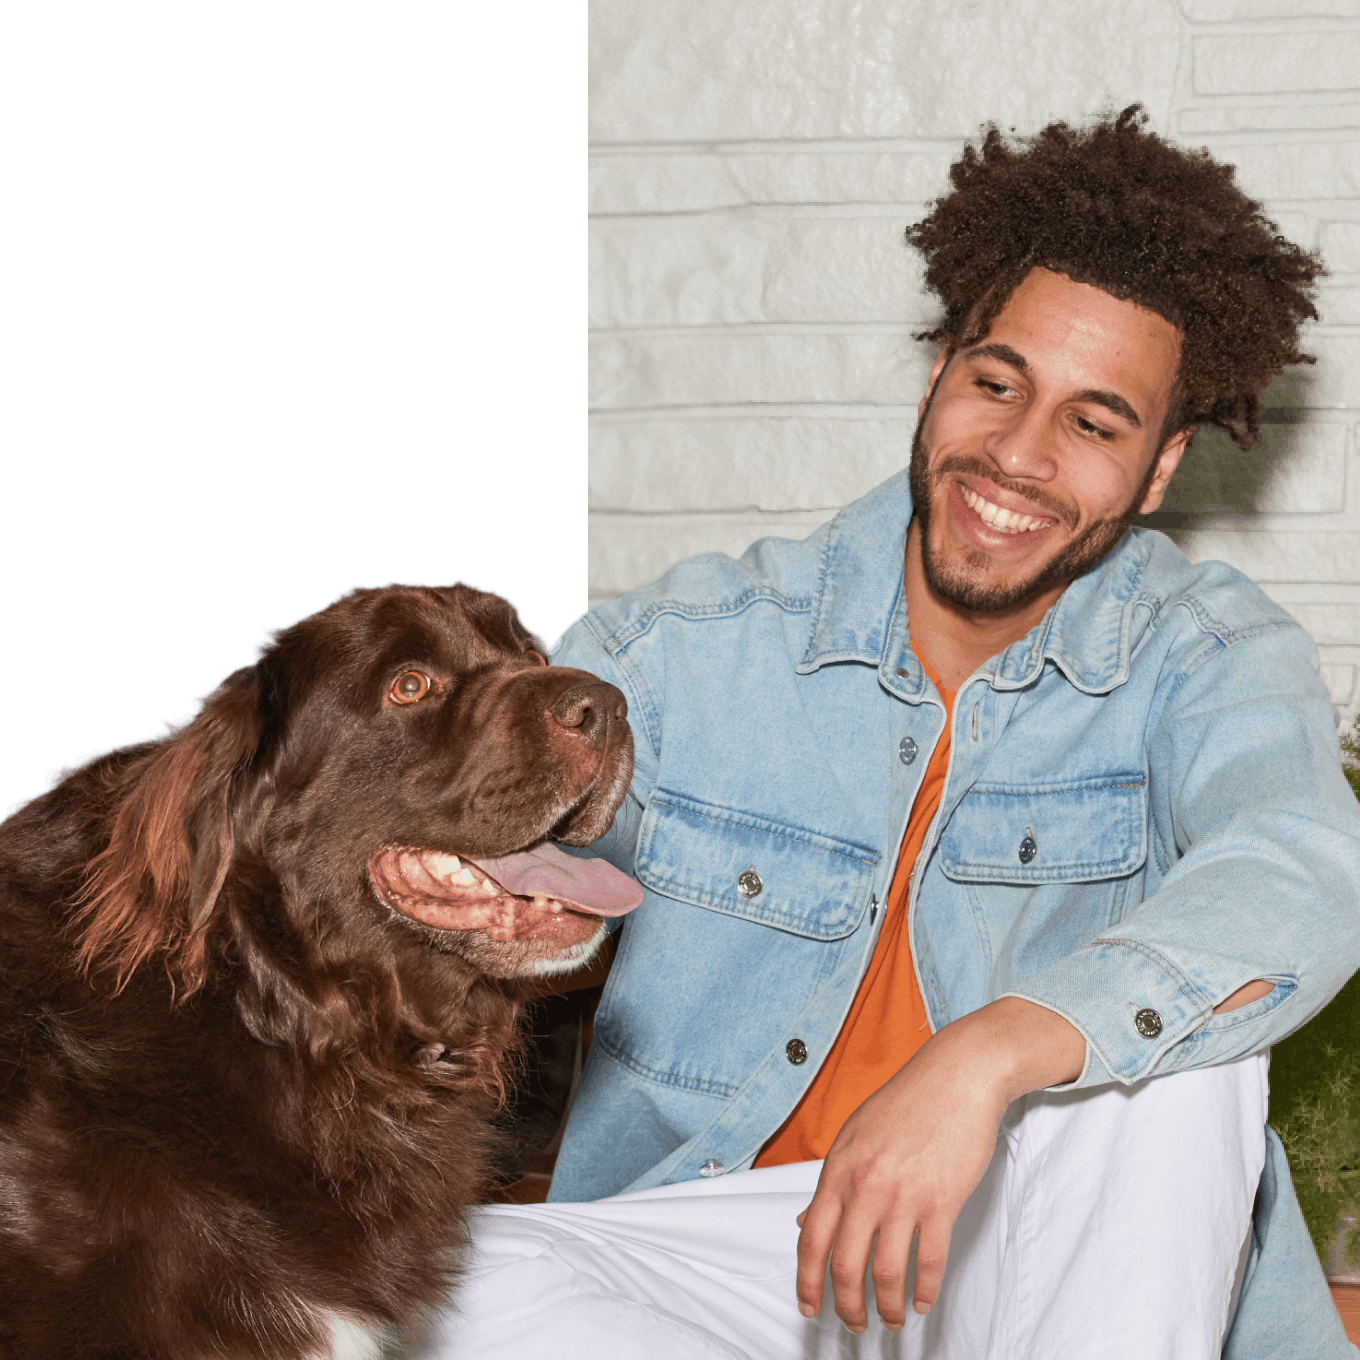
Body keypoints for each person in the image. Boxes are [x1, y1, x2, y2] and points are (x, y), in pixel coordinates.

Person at [419, 108, 1360, 1358]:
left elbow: (1301, 867)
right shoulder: (690, 649)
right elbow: (517, 819)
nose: (1017, 456)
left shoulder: (1206, 654)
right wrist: (481, 886)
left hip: (1038, 1255)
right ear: (939, 372)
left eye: (1093, 423)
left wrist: (989, 1054)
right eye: (996, 384)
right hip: (735, 1258)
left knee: (1180, 1068)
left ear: (1158, 467)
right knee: (447, 1288)